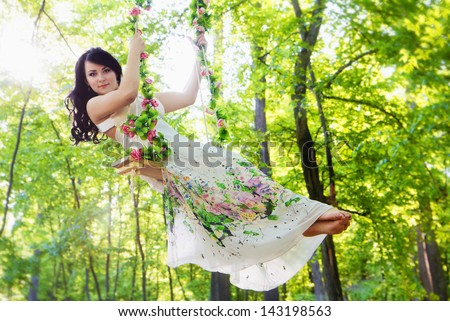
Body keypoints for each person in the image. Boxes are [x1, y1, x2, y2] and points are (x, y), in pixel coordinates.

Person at [65, 31, 351, 291]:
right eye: (92, 74)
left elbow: (188, 97)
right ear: (87, 82)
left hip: (197, 156)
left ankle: (312, 217)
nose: (101, 78)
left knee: (255, 191)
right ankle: (312, 224)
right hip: (172, 173)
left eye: (106, 70)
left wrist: (198, 57)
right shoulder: (96, 108)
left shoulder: (146, 103)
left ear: (116, 72)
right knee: (228, 221)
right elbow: (126, 92)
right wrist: (134, 50)